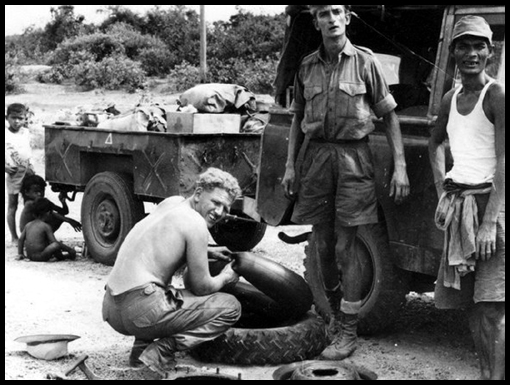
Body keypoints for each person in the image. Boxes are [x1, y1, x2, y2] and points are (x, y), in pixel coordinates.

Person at [281, 5, 410, 361]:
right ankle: (334, 319)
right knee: (321, 245)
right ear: (316, 21)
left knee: (346, 248)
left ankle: (348, 330)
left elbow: (389, 116)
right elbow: (297, 119)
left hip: (355, 159)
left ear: (348, 17)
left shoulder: (366, 63)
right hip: (317, 158)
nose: (332, 18)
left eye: (337, 11)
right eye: (324, 13)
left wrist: (400, 165)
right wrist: (291, 166)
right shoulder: (306, 66)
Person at [102, 168, 242, 377]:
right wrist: (226, 277)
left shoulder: (172, 203)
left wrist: (206, 249)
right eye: (216, 202)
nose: (220, 212)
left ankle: (140, 353)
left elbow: (163, 242)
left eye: (226, 207)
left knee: (162, 288)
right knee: (231, 307)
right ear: (198, 193)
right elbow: (201, 287)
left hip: (112, 307)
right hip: (139, 311)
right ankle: (159, 352)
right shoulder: (196, 224)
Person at [428, 16, 505, 380]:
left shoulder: (497, 95)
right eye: (463, 45)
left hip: (492, 209)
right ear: (453, 51)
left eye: (479, 46)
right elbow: (435, 143)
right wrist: (443, 189)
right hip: (461, 210)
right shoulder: (450, 98)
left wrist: (491, 221)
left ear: (490, 51)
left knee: (493, 307)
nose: (471, 53)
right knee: (472, 306)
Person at [5, 103, 35, 243]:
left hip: (27, 172)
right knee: (13, 205)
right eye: (13, 118)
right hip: (13, 173)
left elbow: (29, 151)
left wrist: (31, 166)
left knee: (30, 203)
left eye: (20, 118)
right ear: (7, 118)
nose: (17, 121)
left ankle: (28, 234)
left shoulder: (26, 132)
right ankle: (14, 237)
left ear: (25, 119)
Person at [17, 197, 77, 262]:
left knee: (50, 243)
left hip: (30, 256)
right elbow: (54, 242)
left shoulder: (28, 225)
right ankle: (63, 257)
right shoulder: (46, 226)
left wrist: (21, 253)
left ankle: (62, 256)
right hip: (41, 256)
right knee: (55, 245)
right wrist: (69, 250)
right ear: (48, 213)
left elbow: (20, 240)